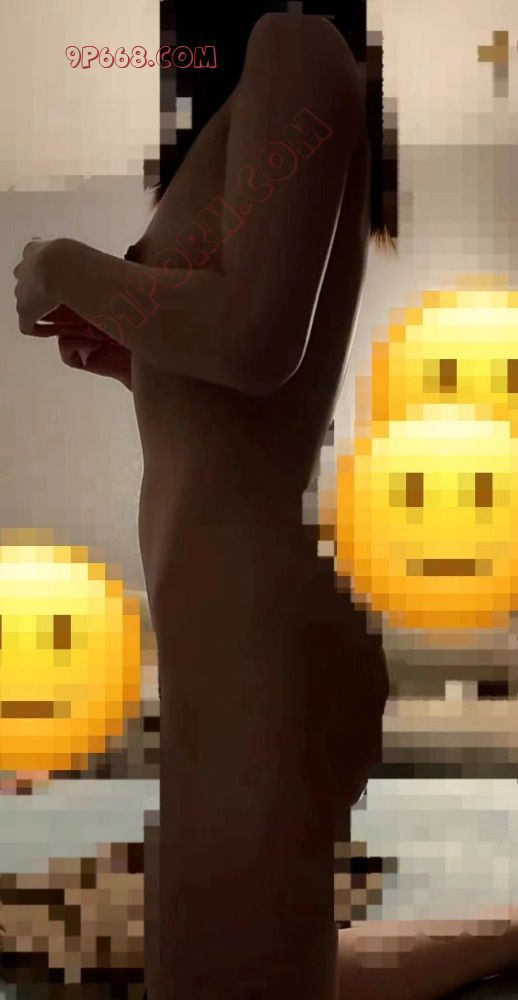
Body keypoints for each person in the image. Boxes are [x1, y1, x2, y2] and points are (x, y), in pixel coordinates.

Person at [12, 6, 518, 1000]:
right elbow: (240, 387)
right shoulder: (270, 76)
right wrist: (139, 359)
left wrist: (63, 266)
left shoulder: (293, 45)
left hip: (259, 651)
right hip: (230, 648)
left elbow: (254, 341)